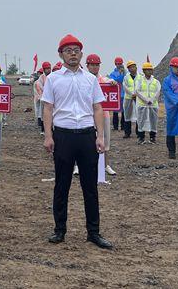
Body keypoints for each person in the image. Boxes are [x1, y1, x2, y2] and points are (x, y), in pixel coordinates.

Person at [42, 35, 112, 249]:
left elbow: (97, 108)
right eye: (68, 50)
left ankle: (93, 232)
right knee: (61, 185)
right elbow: (48, 108)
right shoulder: (53, 79)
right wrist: (48, 136)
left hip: (86, 135)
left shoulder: (90, 79)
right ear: (61, 54)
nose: (72, 53)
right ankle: (59, 230)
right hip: (63, 136)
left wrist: (100, 136)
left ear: (81, 54)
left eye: (76, 50)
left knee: (90, 186)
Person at [84, 54, 116, 175]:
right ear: (87, 66)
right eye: (92, 65)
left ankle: (105, 165)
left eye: (97, 65)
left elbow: (110, 82)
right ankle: (79, 166)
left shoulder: (104, 80)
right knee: (84, 140)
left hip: (103, 114)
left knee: (105, 139)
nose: (95, 67)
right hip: (87, 114)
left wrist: (113, 83)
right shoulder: (83, 79)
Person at [135, 62, 161, 145]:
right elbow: (137, 91)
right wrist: (146, 100)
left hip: (153, 105)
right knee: (141, 121)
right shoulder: (139, 81)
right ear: (144, 71)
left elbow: (158, 92)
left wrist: (152, 100)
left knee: (153, 121)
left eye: (151, 70)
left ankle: (152, 137)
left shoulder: (156, 82)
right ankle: (141, 137)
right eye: (148, 70)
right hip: (142, 105)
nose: (150, 71)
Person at [121, 61, 139, 138]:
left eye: (133, 67)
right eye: (130, 67)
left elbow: (141, 87)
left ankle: (139, 133)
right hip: (128, 98)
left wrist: (137, 94)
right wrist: (132, 94)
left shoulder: (140, 77)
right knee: (127, 115)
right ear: (128, 69)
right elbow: (125, 87)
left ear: (136, 67)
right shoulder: (126, 77)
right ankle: (127, 133)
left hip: (138, 98)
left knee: (139, 114)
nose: (132, 68)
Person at [109, 58, 126, 131]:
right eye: (117, 64)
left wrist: (123, 73)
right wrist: (121, 74)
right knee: (115, 111)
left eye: (120, 64)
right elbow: (117, 80)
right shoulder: (112, 74)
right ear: (115, 64)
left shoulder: (126, 73)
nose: (119, 65)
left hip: (124, 94)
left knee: (124, 111)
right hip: (116, 95)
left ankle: (123, 127)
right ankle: (115, 126)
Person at [33, 67, 47, 135]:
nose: (40, 74)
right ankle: (41, 125)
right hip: (39, 98)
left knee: (41, 112)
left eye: (40, 73)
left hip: (42, 98)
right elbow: (37, 90)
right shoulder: (37, 82)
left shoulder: (44, 79)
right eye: (39, 73)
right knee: (39, 111)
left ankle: (42, 126)